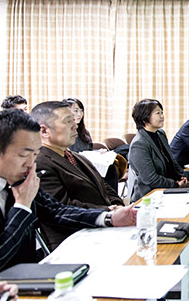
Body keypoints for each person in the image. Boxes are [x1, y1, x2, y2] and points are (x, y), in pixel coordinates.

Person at [0, 108, 136, 280]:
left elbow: (56, 211)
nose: (30, 164)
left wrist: (109, 218)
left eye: (35, 155)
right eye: (24, 155)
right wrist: (22, 207)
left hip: (30, 279)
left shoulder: (20, 179)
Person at [30, 101, 125, 249]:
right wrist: (107, 212)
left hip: (104, 227)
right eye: (68, 121)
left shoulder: (74, 155)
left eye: (74, 120)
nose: (75, 125)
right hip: (74, 238)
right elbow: (63, 207)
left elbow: (103, 185)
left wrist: (118, 206)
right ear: (44, 131)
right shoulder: (39, 162)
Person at [127, 99, 188, 202]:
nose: (162, 116)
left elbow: (171, 161)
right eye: (158, 113)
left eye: (162, 113)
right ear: (144, 118)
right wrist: (175, 185)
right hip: (150, 195)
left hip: (170, 188)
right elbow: (151, 179)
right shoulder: (139, 144)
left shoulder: (160, 134)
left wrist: (182, 176)